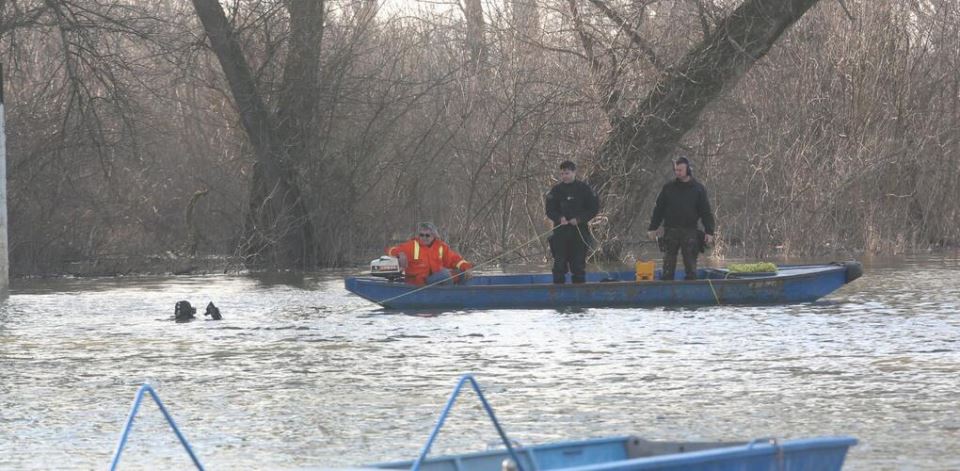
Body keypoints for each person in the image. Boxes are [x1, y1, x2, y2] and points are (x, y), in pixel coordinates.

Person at [647, 156, 716, 281]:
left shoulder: (698, 189)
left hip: (689, 231)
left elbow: (706, 212)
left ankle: (691, 286)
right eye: (676, 170)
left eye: (680, 170)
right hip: (670, 230)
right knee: (668, 263)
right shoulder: (668, 188)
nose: (677, 173)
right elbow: (659, 209)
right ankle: (667, 286)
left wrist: (709, 232)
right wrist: (653, 227)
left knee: (690, 264)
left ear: (688, 170)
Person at [545, 160, 600, 284]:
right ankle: (558, 292)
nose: (565, 176)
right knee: (559, 264)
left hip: (579, 232)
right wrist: (559, 218)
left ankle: (579, 292)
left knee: (578, 265)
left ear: (574, 173)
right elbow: (549, 210)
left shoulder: (584, 189)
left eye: (567, 173)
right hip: (560, 232)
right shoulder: (555, 191)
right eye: (563, 174)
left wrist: (580, 219)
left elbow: (593, 209)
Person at [386, 222, 473, 286]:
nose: (424, 238)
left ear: (433, 236)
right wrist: (400, 253)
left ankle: (457, 296)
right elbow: (390, 250)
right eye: (421, 235)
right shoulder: (412, 245)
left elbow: (454, 259)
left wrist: (466, 267)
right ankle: (448, 297)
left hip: (435, 280)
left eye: (427, 235)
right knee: (445, 274)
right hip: (418, 283)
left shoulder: (441, 247)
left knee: (462, 273)